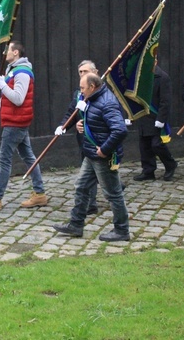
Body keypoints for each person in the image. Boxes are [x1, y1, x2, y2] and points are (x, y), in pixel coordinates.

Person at [52, 72, 130, 242]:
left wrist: (105, 149)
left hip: (103, 156)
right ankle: (76, 224)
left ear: (92, 87)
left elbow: (120, 130)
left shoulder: (107, 103)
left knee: (113, 194)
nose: (80, 91)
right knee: (81, 186)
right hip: (90, 154)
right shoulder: (90, 99)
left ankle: (122, 230)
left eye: (82, 88)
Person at [0, 41, 48, 212]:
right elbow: (6, 97)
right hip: (15, 120)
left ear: (15, 52)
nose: (5, 53)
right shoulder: (14, 70)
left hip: (15, 122)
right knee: (29, 157)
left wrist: (1, 84)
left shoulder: (22, 72)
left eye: (8, 50)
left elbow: (18, 98)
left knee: (4, 159)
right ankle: (40, 194)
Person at [54, 59, 99, 214]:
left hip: (99, 140)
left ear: (95, 73)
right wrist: (63, 126)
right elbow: (71, 113)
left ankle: (92, 203)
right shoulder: (78, 93)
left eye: (85, 72)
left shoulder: (104, 92)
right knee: (92, 171)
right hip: (83, 140)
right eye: (80, 72)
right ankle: (92, 202)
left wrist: (86, 122)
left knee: (93, 172)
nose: (82, 75)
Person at [133, 58, 178, 182]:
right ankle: (148, 171)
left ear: (156, 61)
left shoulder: (163, 77)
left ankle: (170, 164)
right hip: (144, 117)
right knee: (144, 146)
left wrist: (161, 119)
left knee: (157, 145)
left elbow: (165, 101)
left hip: (157, 117)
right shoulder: (140, 77)